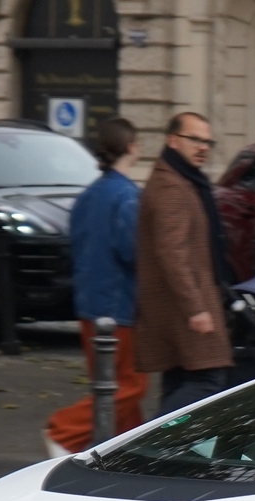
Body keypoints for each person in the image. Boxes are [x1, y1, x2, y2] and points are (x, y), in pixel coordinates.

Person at [44, 115, 147, 454]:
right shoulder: (128, 196)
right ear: (132, 148)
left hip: (90, 304)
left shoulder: (88, 196)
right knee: (128, 386)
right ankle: (64, 431)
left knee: (110, 389)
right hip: (120, 306)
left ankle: (130, 453)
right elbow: (134, 253)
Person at [135, 110, 235, 412]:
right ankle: (152, 442)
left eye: (208, 142)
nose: (203, 147)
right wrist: (196, 308)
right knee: (208, 379)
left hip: (182, 307)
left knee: (181, 379)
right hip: (185, 309)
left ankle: (167, 454)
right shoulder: (172, 188)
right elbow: (172, 252)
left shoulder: (183, 181)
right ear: (173, 140)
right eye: (195, 140)